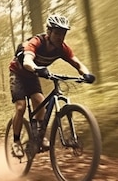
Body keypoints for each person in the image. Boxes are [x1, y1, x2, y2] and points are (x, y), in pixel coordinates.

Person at [8, 14, 96, 157]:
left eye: (63, 33)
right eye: (57, 33)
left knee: (40, 102)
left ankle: (40, 136)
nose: (60, 37)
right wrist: (37, 68)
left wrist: (87, 74)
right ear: (49, 32)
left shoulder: (62, 48)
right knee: (21, 106)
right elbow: (27, 61)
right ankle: (16, 142)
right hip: (18, 73)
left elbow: (77, 63)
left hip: (32, 75)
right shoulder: (37, 42)